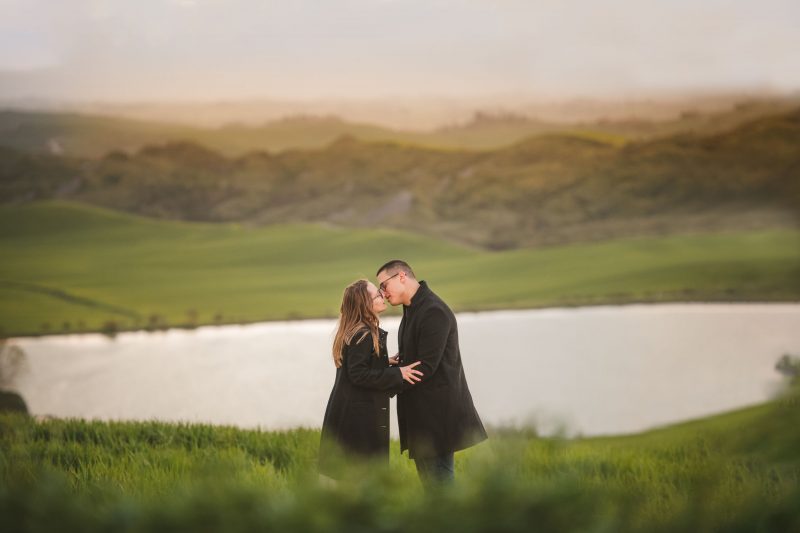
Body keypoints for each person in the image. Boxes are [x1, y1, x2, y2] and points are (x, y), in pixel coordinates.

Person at [376, 260, 487, 484]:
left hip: (437, 418)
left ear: (401, 277)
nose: (383, 293)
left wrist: (379, 384)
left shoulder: (433, 311)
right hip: (422, 417)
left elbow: (424, 367)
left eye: (384, 286)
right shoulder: (413, 309)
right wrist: (386, 369)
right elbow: (409, 361)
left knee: (441, 491)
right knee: (433, 492)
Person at [318, 279, 423, 480]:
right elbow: (358, 375)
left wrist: (385, 362)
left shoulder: (357, 331)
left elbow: (359, 368)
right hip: (357, 422)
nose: (382, 295)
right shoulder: (363, 335)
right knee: (359, 478)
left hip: (349, 415)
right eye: (377, 294)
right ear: (365, 304)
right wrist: (398, 373)